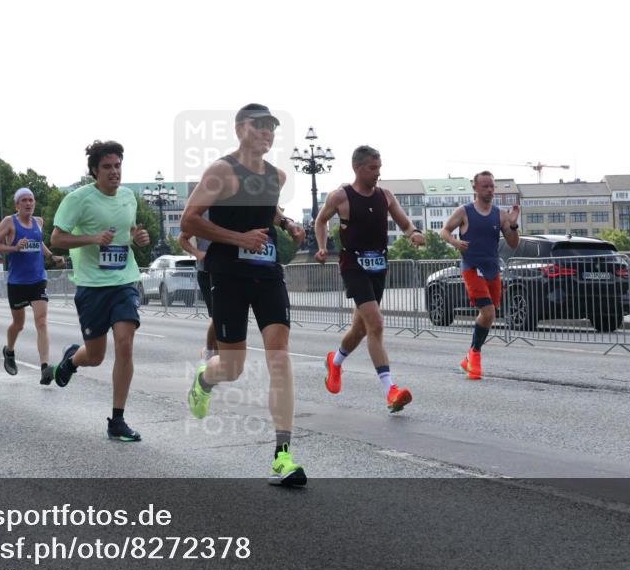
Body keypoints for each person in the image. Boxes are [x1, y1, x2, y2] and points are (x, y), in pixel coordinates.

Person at [180, 104, 308, 486]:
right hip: (228, 274)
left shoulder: (276, 175)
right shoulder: (222, 171)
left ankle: (282, 455)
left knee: (280, 356)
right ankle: (206, 377)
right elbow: (189, 220)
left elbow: (265, 210)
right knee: (232, 367)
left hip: (267, 273)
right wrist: (239, 239)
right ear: (240, 129)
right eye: (260, 126)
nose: (267, 133)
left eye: (272, 127)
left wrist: (285, 223)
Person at [49, 140, 150, 442]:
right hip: (92, 286)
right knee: (95, 356)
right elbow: (56, 238)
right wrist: (93, 238)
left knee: (125, 343)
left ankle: (117, 420)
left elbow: (128, 234)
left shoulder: (129, 197)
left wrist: (139, 238)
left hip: (123, 282)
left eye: (117, 166)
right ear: (94, 171)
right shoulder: (79, 199)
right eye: (107, 167)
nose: (114, 172)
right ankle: (71, 360)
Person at [315, 145, 424, 412]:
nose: (378, 173)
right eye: (373, 168)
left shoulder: (385, 196)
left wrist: (414, 234)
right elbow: (320, 221)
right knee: (376, 324)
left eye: (380, 167)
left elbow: (405, 224)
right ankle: (390, 391)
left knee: (361, 329)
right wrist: (321, 246)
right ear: (358, 168)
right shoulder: (340, 196)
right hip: (353, 265)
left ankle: (335, 362)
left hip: (378, 266)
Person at [440, 170, 520, 380]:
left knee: (490, 313)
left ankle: (470, 356)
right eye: (485, 186)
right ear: (475, 188)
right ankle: (475, 355)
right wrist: (455, 242)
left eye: (492, 186)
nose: (490, 190)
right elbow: (444, 230)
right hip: (472, 267)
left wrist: (513, 224)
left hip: (492, 269)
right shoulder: (464, 212)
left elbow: (513, 244)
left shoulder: (500, 214)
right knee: (488, 311)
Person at [0, 187, 64, 384]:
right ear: (17, 204)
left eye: (31, 200)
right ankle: (9, 351)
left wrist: (51, 256)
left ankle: (45, 367)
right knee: (19, 324)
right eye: (24, 200)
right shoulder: (9, 222)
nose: (28, 203)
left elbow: (39, 243)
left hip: (38, 279)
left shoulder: (38, 222)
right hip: (17, 282)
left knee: (41, 321)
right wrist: (14, 247)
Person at [178, 227, 218, 362]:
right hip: (207, 272)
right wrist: (198, 253)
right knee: (217, 315)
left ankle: (216, 359)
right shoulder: (202, 213)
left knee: (225, 317)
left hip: (227, 270)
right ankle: (208, 351)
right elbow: (182, 239)